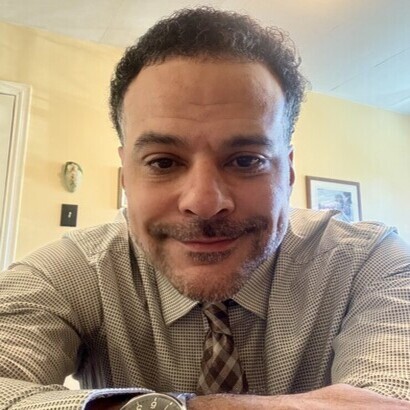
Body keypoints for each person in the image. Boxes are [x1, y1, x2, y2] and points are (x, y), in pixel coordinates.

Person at [0, 7, 409, 410]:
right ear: (126, 174)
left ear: (288, 171)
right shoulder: (69, 274)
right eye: (163, 162)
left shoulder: (369, 262)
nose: (204, 202)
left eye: (246, 160)